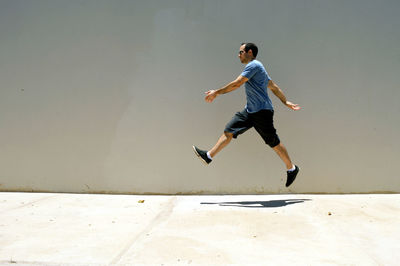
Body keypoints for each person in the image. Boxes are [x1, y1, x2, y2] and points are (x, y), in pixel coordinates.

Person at [193, 43, 301, 187]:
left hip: (262, 111)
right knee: (229, 130)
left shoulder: (254, 65)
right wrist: (285, 101)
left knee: (273, 142)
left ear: (250, 52)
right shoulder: (258, 69)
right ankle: (208, 156)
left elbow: (237, 84)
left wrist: (216, 92)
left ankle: (292, 168)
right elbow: (273, 86)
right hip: (250, 111)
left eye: (241, 52)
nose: (238, 55)